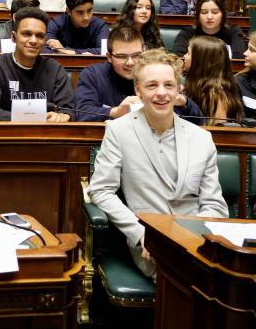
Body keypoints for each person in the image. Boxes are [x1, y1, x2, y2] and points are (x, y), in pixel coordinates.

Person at [88, 48, 229, 277]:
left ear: (179, 89)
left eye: (169, 85)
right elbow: (101, 191)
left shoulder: (202, 138)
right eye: (152, 86)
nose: (161, 93)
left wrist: (203, 239)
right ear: (138, 90)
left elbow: (214, 204)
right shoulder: (119, 131)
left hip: (198, 242)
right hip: (150, 244)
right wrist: (139, 232)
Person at [75, 25, 200, 122]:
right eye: (121, 56)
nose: (130, 62)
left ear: (144, 51)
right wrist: (115, 112)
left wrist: (184, 102)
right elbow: (81, 113)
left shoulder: (157, 73)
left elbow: (199, 121)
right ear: (109, 56)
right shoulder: (92, 75)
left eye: (136, 55)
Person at [0, 7, 74, 122]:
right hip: (3, 136)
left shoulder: (55, 70)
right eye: (27, 34)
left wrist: (64, 116)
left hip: (45, 136)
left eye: (39, 36)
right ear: (13, 37)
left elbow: (68, 110)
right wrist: (31, 118)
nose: (33, 40)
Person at [183, 36, 243, 125]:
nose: (184, 56)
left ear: (200, 61)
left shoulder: (215, 95)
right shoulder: (195, 85)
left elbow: (218, 132)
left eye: (188, 53)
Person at [172, 0, 246, 57]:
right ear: (198, 15)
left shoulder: (233, 31)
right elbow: (177, 58)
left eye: (215, 12)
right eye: (204, 12)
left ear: (223, 14)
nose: (209, 17)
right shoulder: (187, 33)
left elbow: (238, 59)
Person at [45, 0, 109, 55]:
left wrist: (66, 51)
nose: (86, 17)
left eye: (89, 11)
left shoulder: (100, 26)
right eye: (80, 12)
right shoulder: (56, 23)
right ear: (69, 11)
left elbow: (104, 51)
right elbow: (44, 48)